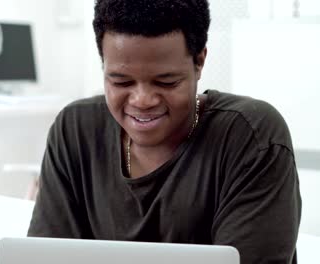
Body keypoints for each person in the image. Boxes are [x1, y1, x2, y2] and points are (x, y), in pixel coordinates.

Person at [28, 0, 301, 263]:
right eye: (121, 81)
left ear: (199, 61)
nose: (142, 100)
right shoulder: (75, 130)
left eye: (166, 82)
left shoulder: (251, 137)